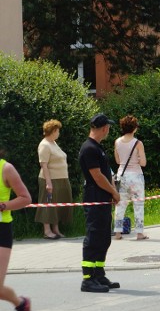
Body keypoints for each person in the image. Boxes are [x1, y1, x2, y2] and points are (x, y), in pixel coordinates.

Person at [79, 113, 121, 292]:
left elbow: (107, 174)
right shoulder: (89, 148)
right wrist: (113, 191)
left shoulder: (98, 148)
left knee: (104, 237)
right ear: (104, 128)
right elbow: (97, 176)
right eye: (108, 127)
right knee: (94, 236)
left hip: (103, 198)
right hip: (94, 197)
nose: (108, 130)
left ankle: (99, 273)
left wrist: (113, 192)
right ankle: (88, 278)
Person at [0, 152, 35, 311]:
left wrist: (3, 205)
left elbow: (25, 198)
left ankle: (21, 304)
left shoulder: (6, 168)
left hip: (1, 230)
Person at [35, 119, 73, 239]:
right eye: (57, 131)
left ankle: (56, 229)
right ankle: (47, 230)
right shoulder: (44, 145)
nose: (59, 133)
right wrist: (48, 183)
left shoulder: (54, 143)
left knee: (57, 203)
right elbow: (44, 165)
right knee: (48, 203)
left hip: (61, 179)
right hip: (50, 179)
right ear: (53, 131)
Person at [113, 115, 148, 240]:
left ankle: (117, 232)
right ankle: (139, 233)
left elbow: (117, 160)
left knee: (120, 205)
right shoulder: (138, 143)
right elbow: (143, 163)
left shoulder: (117, 142)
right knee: (138, 205)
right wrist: (138, 158)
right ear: (134, 128)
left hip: (122, 175)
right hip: (136, 176)